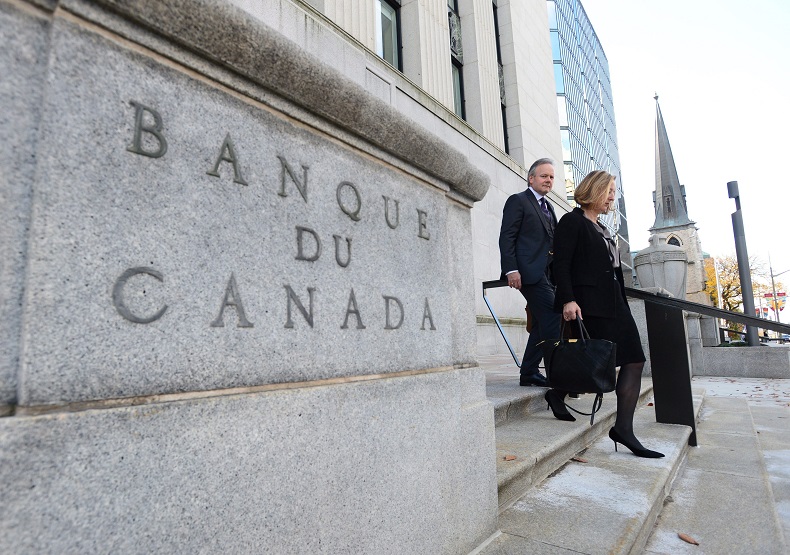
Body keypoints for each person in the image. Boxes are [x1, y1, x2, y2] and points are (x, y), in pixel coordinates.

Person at [553, 170, 664, 458]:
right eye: (609, 190)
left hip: (615, 304)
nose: (612, 196)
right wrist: (568, 300)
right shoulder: (572, 221)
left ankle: (622, 427)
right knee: (595, 360)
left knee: (634, 360)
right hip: (589, 305)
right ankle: (560, 393)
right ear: (594, 189)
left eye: (614, 191)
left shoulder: (602, 228)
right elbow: (560, 265)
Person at [499, 158, 574, 421]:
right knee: (553, 317)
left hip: (547, 273)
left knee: (544, 322)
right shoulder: (518, 201)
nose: (548, 181)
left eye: (552, 177)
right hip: (527, 272)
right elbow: (507, 235)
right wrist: (511, 269)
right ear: (531, 178)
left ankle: (529, 372)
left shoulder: (549, 206)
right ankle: (558, 376)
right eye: (544, 176)